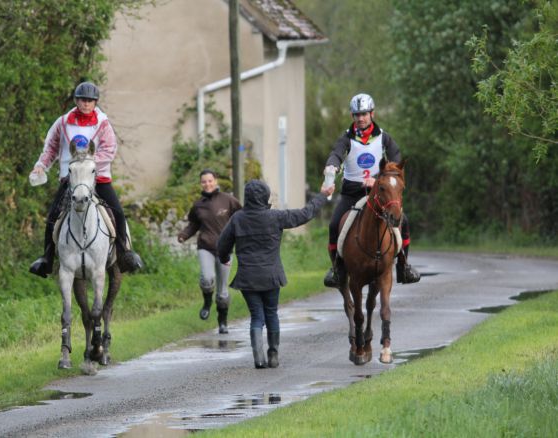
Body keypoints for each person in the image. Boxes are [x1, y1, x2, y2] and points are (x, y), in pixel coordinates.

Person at [29, 81, 143, 278]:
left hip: (98, 178)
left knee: (118, 213)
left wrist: (88, 163)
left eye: (90, 101)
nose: (86, 104)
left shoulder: (103, 123)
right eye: (83, 100)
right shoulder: (63, 122)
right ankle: (46, 259)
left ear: (95, 102)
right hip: (70, 179)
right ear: (76, 100)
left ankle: (125, 254)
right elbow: (51, 147)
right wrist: (41, 165)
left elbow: (109, 149)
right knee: (52, 218)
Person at [217, 179, 334, 369]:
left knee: (256, 316)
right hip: (271, 275)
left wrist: (224, 258)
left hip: (248, 277)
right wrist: (322, 195)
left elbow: (222, 244)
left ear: (246, 197)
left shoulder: (238, 218)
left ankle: (258, 358)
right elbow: (306, 214)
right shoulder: (276, 217)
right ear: (265, 196)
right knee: (271, 313)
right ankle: (273, 354)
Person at [323, 93, 420, 288]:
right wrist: (331, 169)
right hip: (351, 194)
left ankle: (403, 266)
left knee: (404, 222)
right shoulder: (346, 138)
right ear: (352, 116)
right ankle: (337, 269)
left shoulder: (384, 137)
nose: (360, 118)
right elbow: (335, 155)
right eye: (357, 115)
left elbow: (396, 161)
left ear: (372, 114)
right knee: (334, 225)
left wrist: (375, 180)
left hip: (379, 193)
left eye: (364, 114)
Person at [177, 169, 242, 334]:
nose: (207, 184)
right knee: (207, 279)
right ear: (201, 184)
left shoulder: (228, 200)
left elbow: (241, 217)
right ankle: (206, 303)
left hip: (225, 249)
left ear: (216, 181)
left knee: (222, 291)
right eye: (204, 181)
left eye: (210, 181)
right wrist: (184, 235)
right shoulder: (198, 205)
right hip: (205, 247)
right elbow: (193, 225)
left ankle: (222, 322)